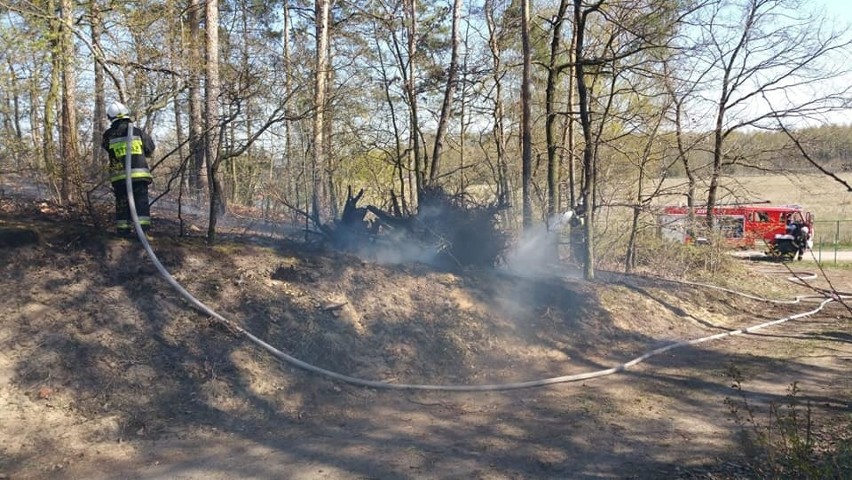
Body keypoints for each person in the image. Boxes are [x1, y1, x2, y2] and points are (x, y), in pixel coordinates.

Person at [101, 102, 155, 236]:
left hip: (119, 178)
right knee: (141, 203)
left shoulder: (108, 135)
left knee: (122, 203)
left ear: (110, 117)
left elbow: (106, 147)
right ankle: (143, 233)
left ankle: (123, 231)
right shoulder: (137, 132)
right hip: (139, 176)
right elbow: (150, 148)